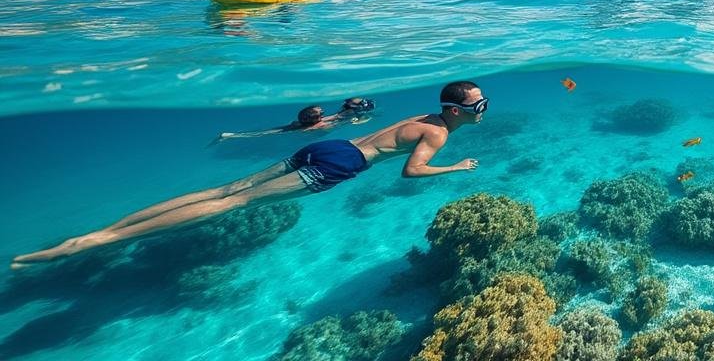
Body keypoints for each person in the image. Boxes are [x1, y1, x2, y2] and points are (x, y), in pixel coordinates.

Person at [12, 82, 486, 269]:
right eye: (477, 105)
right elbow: (410, 172)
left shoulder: (425, 116)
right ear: (454, 110)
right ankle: (99, 241)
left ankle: (107, 230)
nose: (483, 110)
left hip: (330, 146)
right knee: (234, 203)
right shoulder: (438, 133)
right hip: (341, 163)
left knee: (227, 188)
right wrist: (455, 168)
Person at [213, 98, 376, 142]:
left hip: (297, 126)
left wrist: (346, 112)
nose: (323, 113)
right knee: (266, 133)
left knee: (267, 132)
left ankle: (230, 135)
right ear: (317, 119)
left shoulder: (319, 121)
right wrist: (355, 118)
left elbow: (335, 117)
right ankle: (231, 136)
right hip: (296, 130)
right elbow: (336, 122)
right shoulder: (319, 126)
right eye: (321, 113)